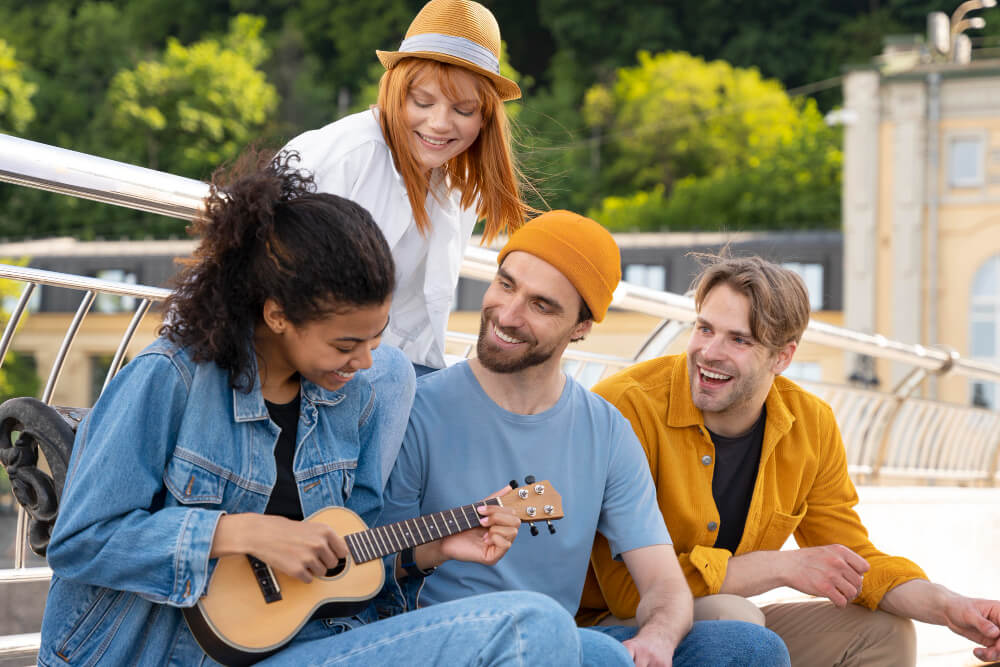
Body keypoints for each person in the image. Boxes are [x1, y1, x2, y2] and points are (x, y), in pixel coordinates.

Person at [38, 151, 584, 666]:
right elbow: (81, 542)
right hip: (154, 655)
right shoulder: (170, 378)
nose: (367, 362)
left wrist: (431, 550)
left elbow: (344, 570)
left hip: (299, 648)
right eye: (346, 345)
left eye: (375, 337)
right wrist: (240, 533)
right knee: (531, 625)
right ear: (277, 315)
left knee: (577, 642)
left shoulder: (365, 393)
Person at [380, 211, 791, 666]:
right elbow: (378, 574)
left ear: (581, 327)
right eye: (506, 284)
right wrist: (434, 549)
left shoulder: (607, 430)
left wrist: (656, 637)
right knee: (595, 653)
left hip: (560, 642)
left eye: (541, 305)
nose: (508, 314)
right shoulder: (416, 409)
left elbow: (662, 584)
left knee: (750, 649)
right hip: (441, 640)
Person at [579, 254, 1000, 665]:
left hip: (724, 618)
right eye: (704, 329)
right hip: (616, 625)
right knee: (736, 620)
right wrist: (778, 566)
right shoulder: (626, 406)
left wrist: (951, 608)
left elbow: (851, 557)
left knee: (884, 632)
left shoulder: (811, 424)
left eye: (738, 339)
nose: (709, 352)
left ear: (782, 357)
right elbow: (627, 589)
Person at [283, 0, 529, 376]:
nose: (440, 123)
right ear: (397, 92)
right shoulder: (345, 156)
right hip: (315, 363)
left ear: (485, 120)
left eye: (463, 111)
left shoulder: (458, 189)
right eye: (422, 101)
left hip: (401, 370)